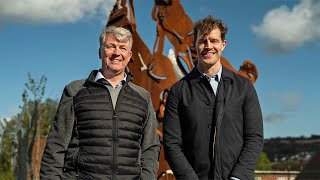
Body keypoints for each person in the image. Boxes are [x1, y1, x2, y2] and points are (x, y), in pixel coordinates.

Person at [40, 26, 160, 180]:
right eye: (111, 46)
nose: (117, 53)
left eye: (123, 48)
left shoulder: (143, 97)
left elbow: (150, 147)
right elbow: (56, 145)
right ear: (100, 52)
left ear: (129, 55)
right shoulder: (75, 90)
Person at [163, 15, 263, 180]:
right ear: (194, 45)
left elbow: (254, 137)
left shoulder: (244, 87)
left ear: (223, 44)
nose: (208, 46)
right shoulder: (178, 91)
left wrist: (238, 177)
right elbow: (171, 144)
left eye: (214, 41)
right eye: (202, 41)